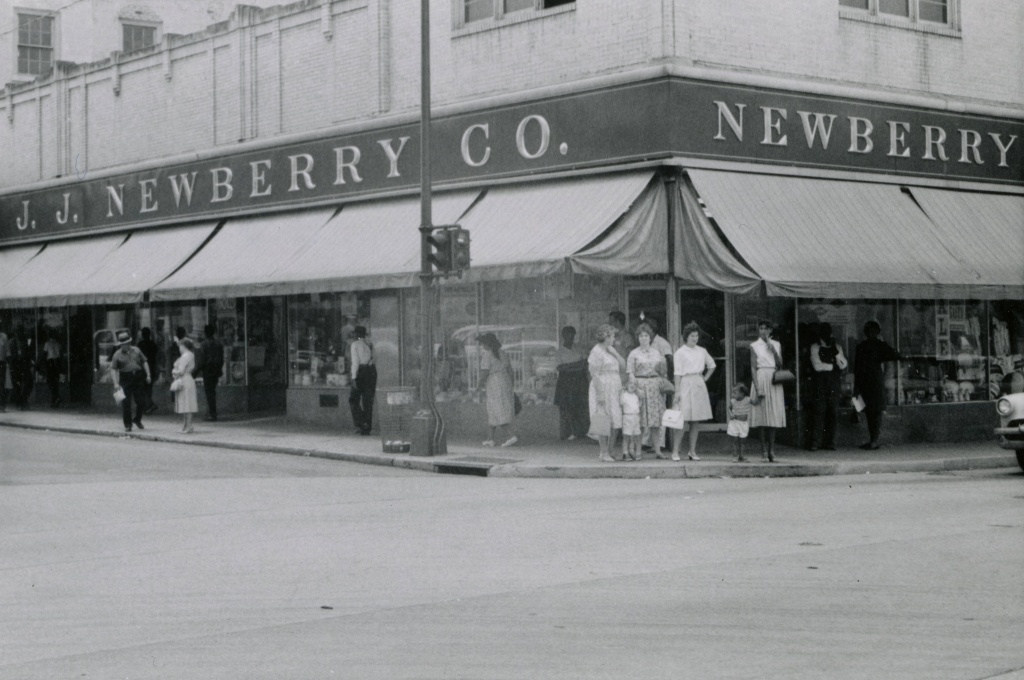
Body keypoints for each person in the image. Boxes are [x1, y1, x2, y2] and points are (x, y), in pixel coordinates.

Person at [670, 321, 716, 461]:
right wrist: (677, 392)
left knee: (696, 421)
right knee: (682, 420)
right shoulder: (680, 352)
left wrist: (705, 378)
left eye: (696, 336)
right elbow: (677, 373)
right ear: (686, 336)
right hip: (685, 384)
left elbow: (712, 365)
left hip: (698, 384)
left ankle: (692, 451)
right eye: (692, 336)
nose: (695, 338)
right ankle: (675, 451)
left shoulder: (702, 351)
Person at [854, 320, 901, 450]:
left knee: (870, 412)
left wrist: (856, 388)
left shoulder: (861, 346)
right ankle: (874, 440)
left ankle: (873, 440)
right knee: (876, 411)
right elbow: (896, 354)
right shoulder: (879, 345)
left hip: (864, 381)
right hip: (876, 381)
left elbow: (856, 368)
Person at [627, 322, 668, 460]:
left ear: (650, 337)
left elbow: (663, 371)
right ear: (637, 338)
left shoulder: (656, 352)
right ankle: (636, 450)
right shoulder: (634, 353)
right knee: (640, 422)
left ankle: (657, 450)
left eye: (646, 335)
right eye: (641, 336)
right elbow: (630, 372)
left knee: (655, 422)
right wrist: (635, 388)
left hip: (655, 389)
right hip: (641, 387)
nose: (643, 338)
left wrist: (662, 378)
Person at [749, 319, 786, 462]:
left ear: (771, 330)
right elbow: (753, 367)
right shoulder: (754, 345)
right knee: (762, 416)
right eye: (761, 328)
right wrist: (757, 386)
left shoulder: (776, 344)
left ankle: (772, 450)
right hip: (761, 377)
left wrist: (773, 350)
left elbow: (780, 363)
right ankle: (763, 450)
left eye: (766, 328)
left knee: (773, 415)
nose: (763, 331)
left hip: (773, 378)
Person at [588, 324, 625, 462]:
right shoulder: (596, 352)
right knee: (602, 419)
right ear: (606, 337)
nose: (614, 338)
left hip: (614, 386)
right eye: (612, 335)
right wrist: (600, 394)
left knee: (616, 419)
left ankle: (610, 450)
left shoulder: (611, 350)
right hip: (602, 386)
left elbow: (623, 366)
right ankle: (603, 452)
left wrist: (615, 353)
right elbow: (595, 374)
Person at [808, 322, 848, 451]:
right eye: (824, 332)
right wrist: (833, 367)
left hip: (834, 383)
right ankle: (815, 442)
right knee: (819, 411)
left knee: (833, 412)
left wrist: (835, 352)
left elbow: (843, 365)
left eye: (829, 332)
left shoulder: (837, 347)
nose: (827, 335)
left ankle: (830, 442)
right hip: (820, 383)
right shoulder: (815, 347)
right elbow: (817, 366)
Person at [477, 332, 517, 447]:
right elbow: (510, 371)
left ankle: (510, 436)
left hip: (494, 382)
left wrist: (479, 385)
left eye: (483, 343)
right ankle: (490, 438)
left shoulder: (487, 355)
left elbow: (484, 372)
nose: (482, 345)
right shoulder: (503, 353)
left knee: (497, 409)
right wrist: (511, 385)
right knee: (495, 409)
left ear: (487, 344)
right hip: (504, 381)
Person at [110, 330, 151, 433]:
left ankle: (137, 419)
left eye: (127, 343)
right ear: (120, 344)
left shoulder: (137, 350)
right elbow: (113, 369)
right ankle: (128, 424)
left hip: (138, 376)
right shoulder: (117, 355)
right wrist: (115, 383)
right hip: (125, 378)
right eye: (123, 344)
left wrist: (148, 374)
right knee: (126, 402)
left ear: (129, 342)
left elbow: (144, 362)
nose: (125, 345)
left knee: (141, 401)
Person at [554, 326, 589, 440]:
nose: (571, 338)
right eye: (568, 335)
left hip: (580, 381)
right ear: (563, 336)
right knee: (566, 408)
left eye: (572, 335)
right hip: (566, 382)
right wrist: (576, 365)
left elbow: (585, 363)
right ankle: (566, 433)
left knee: (580, 406)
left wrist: (570, 366)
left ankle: (581, 432)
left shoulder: (579, 348)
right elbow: (560, 368)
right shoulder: (559, 352)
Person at [348, 325, 377, 436]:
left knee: (353, 399)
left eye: (355, 333)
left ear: (357, 334)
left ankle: (361, 423)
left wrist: (354, 377)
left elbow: (355, 362)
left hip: (361, 371)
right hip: (372, 371)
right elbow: (375, 358)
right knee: (368, 401)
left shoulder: (355, 344)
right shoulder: (370, 344)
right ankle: (367, 427)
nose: (353, 335)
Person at [172, 336, 198, 434]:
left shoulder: (185, 356)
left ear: (183, 346)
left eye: (180, 346)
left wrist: (174, 371)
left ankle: (187, 426)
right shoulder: (191, 354)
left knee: (186, 403)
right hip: (189, 379)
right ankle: (187, 426)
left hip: (184, 380)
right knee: (188, 403)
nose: (179, 348)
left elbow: (181, 371)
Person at [199, 324, 224, 422]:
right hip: (216, 370)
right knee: (212, 391)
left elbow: (202, 359)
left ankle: (212, 414)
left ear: (205, 333)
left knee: (209, 392)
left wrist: (197, 371)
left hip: (207, 370)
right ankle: (212, 412)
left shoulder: (204, 344)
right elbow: (221, 359)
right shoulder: (218, 344)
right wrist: (219, 369)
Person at [137, 327, 160, 414]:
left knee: (142, 389)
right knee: (148, 389)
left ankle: (149, 405)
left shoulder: (140, 345)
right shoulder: (153, 344)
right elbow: (157, 357)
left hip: (142, 369)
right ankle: (148, 406)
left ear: (142, 335)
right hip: (151, 368)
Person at [727, 383, 752, 462]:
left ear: (742, 394)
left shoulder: (748, 400)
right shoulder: (733, 401)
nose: (733, 395)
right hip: (735, 422)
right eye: (732, 393)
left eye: (735, 393)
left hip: (743, 423)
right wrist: (730, 414)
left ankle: (741, 455)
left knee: (743, 440)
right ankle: (735, 455)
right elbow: (729, 408)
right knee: (735, 439)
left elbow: (755, 402)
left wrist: (759, 397)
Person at [607, 311, 634, 381]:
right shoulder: (612, 336)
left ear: (617, 322)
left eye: (611, 322)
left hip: (622, 373)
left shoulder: (627, 337)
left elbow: (631, 356)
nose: (609, 324)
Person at [620, 380, 642, 461]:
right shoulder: (624, 395)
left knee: (636, 435)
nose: (632, 385)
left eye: (634, 384)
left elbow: (638, 405)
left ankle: (634, 451)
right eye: (630, 383)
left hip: (635, 417)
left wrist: (640, 398)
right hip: (628, 416)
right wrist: (621, 392)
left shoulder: (635, 396)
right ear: (626, 385)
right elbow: (621, 402)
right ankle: (625, 453)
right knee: (627, 436)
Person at [42, 331, 63, 408]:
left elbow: (45, 354)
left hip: (50, 361)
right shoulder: (58, 343)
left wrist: (44, 364)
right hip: (57, 361)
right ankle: (55, 397)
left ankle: (55, 396)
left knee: (50, 380)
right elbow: (60, 353)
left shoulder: (47, 343)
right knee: (55, 380)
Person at [0, 319, 9, 412]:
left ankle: (1, 405)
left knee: (1, 383)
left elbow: (7, 351)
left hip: (1, 362)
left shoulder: (4, 337)